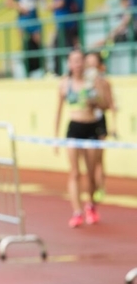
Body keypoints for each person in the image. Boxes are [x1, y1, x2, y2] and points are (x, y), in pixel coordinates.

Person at [53, 50, 110, 228]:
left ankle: (91, 205)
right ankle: (77, 212)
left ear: (84, 63)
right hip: (74, 129)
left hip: (91, 128)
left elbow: (105, 105)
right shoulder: (64, 84)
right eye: (74, 61)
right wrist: (55, 137)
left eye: (80, 61)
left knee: (91, 173)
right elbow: (58, 111)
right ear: (69, 64)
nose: (77, 64)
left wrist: (96, 100)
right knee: (74, 172)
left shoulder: (93, 82)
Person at [84, 51, 117, 203]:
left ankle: (99, 187)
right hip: (85, 122)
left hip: (99, 121)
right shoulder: (82, 82)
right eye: (88, 63)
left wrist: (114, 126)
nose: (91, 66)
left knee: (98, 158)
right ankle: (92, 187)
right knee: (88, 160)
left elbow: (110, 105)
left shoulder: (104, 82)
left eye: (93, 63)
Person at [6, 0, 42, 75]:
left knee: (38, 46)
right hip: (23, 21)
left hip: (34, 20)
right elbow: (8, 2)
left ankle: (40, 69)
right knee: (25, 47)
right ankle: (26, 71)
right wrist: (19, 7)